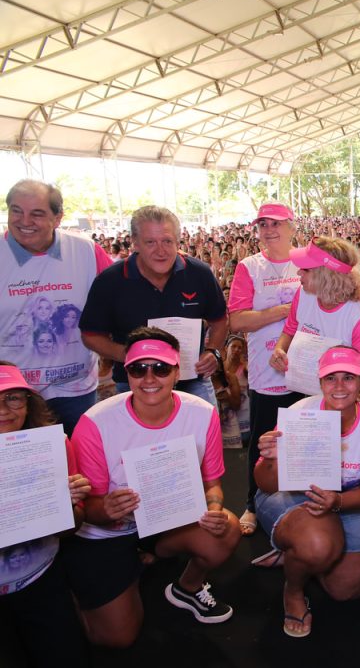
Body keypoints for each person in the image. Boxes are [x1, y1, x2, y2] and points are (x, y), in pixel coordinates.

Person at [65, 327, 240, 647]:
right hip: (108, 533)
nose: (149, 378)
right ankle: (84, 587)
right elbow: (86, 511)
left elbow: (212, 483)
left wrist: (214, 506)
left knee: (225, 529)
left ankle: (186, 587)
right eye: (138, 368)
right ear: (126, 373)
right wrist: (105, 509)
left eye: (160, 368)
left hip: (165, 519)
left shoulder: (202, 414)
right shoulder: (96, 423)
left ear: (177, 371)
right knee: (117, 639)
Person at [253, 347, 360, 638]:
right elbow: (266, 484)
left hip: (349, 499)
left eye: (348, 378)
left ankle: (297, 555)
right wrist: (270, 458)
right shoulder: (299, 414)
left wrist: (338, 501)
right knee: (317, 545)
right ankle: (294, 588)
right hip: (293, 495)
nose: (339, 387)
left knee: (347, 590)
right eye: (330, 378)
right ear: (319, 383)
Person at [80, 206, 228, 407]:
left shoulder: (199, 274)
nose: (161, 250)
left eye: (167, 241)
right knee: (141, 438)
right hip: (135, 383)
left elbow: (219, 321)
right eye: (150, 242)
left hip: (192, 382)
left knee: (203, 437)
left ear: (177, 241)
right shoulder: (110, 280)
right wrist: (131, 355)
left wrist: (213, 351)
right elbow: (90, 335)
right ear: (135, 243)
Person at [0, 179, 113, 435]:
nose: (24, 221)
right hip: (13, 397)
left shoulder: (85, 250)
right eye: (16, 211)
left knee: (79, 467)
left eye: (37, 214)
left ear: (58, 217)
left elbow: (117, 296)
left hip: (75, 389)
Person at [0, 363, 92, 665]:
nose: (4, 409)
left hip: (40, 578)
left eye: (13, 397)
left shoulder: (51, 446)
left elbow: (70, 529)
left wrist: (68, 506)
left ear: (28, 403)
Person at [227, 203, 302, 536]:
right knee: (261, 440)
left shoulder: (306, 262)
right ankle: (253, 503)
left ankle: (302, 501)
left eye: (277, 224)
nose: (270, 230)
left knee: (304, 437)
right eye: (263, 224)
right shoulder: (249, 267)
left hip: (306, 370)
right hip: (265, 371)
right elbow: (238, 319)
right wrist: (285, 310)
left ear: (292, 227)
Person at [271, 237, 360, 408]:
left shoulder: (358, 318)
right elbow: (290, 329)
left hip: (342, 403)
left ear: (325, 275)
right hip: (309, 398)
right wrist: (280, 349)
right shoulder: (303, 295)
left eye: (305, 269)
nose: (298, 273)